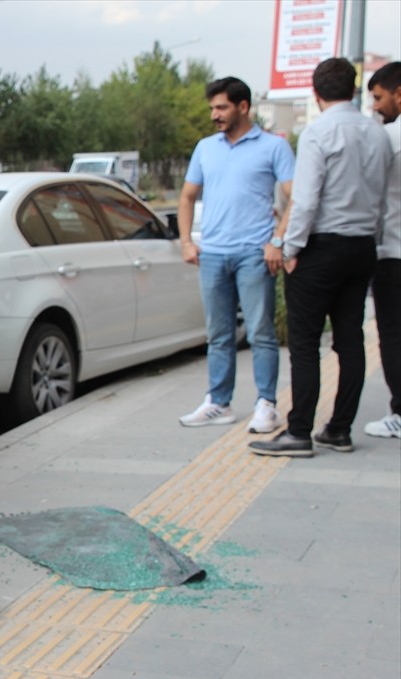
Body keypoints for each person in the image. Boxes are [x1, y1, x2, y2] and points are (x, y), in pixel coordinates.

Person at [251, 58, 393, 458]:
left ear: (316, 93)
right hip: (363, 245)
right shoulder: (378, 134)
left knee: (305, 343)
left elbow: (307, 200)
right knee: (350, 339)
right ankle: (340, 429)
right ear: (354, 88)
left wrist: (288, 248)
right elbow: (381, 198)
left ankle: (298, 432)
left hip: (321, 247)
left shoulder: (318, 133)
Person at [178, 77, 295, 433]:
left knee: (260, 332)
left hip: (253, 254)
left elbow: (297, 195)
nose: (214, 114)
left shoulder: (273, 147)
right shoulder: (205, 148)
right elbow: (186, 197)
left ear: (243, 107)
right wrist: (186, 241)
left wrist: (277, 240)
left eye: (221, 107)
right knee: (218, 334)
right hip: (212, 253)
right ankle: (218, 402)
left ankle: (266, 405)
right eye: (212, 108)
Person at [364, 61, 401, 438]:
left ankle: (400, 413)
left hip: (393, 252)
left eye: (379, 97)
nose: (376, 106)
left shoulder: (389, 138)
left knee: (393, 334)